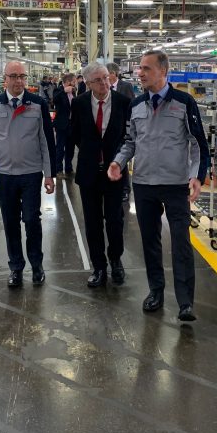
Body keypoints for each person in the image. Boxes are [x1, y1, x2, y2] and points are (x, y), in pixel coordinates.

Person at [108, 50, 209, 322]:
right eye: (140, 68)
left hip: (176, 185)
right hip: (144, 185)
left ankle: (185, 302)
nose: (140, 73)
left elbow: (198, 142)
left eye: (146, 69)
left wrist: (197, 176)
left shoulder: (184, 102)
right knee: (150, 242)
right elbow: (130, 141)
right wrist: (118, 162)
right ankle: (156, 291)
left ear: (163, 72)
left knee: (181, 243)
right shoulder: (136, 105)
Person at [0, 61, 56, 288]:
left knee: (32, 221)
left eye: (22, 76)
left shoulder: (38, 104)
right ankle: (15, 268)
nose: (18, 81)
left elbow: (47, 142)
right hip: (4, 176)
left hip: (32, 174)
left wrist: (49, 175)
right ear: (5, 78)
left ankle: (37, 266)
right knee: (10, 223)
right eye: (13, 76)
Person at [71, 64, 131, 288]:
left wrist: (115, 161)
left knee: (115, 220)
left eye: (106, 78)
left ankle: (116, 260)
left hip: (115, 173)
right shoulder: (79, 104)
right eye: (98, 80)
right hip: (89, 174)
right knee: (92, 222)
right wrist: (92, 155)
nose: (104, 83)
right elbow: (75, 134)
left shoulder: (124, 103)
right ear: (88, 84)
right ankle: (99, 267)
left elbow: (128, 136)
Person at [106, 62, 134, 203]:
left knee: (122, 159)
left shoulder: (126, 86)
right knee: (113, 160)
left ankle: (125, 190)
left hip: (123, 129)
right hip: (109, 130)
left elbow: (131, 106)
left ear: (113, 74)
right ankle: (112, 186)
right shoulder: (105, 87)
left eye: (107, 74)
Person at [52, 73, 76, 176]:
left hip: (71, 124)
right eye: (73, 81)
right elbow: (54, 100)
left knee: (70, 148)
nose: (75, 83)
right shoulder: (58, 90)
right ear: (67, 82)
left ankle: (68, 168)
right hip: (62, 125)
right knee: (60, 148)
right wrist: (63, 91)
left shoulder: (73, 92)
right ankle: (58, 170)